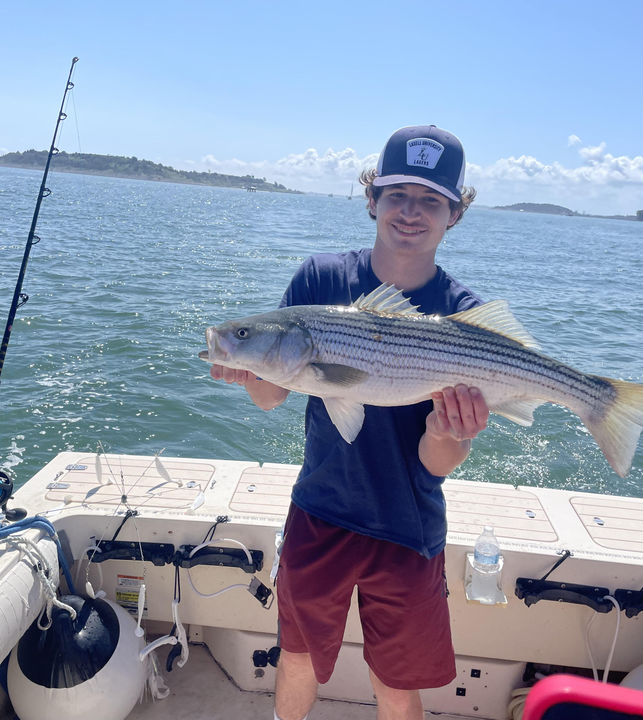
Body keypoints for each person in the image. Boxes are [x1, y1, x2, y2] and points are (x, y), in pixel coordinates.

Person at [210, 125, 490, 720]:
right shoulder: (319, 279)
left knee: (396, 683)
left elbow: (438, 462)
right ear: (372, 199)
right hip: (321, 510)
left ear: (455, 214)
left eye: (430, 200)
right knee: (298, 657)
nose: (410, 212)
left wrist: (448, 430)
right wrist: (249, 366)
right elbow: (271, 398)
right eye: (397, 195)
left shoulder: (465, 315)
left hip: (409, 525)